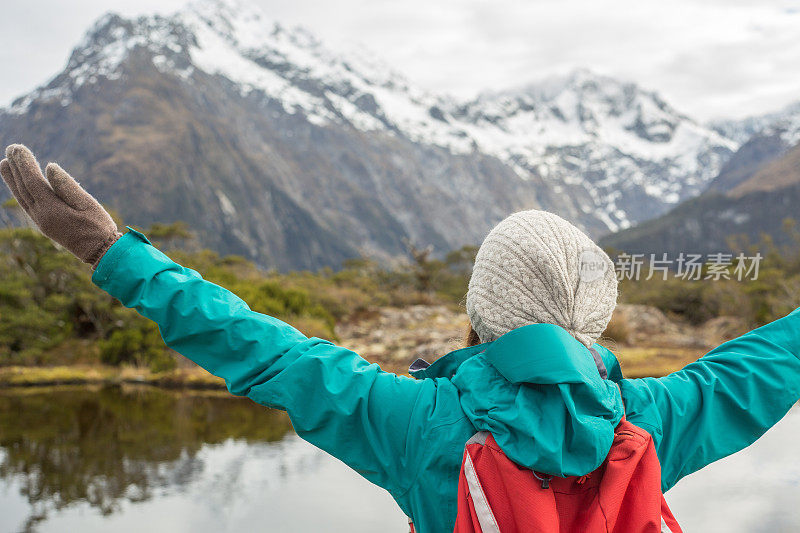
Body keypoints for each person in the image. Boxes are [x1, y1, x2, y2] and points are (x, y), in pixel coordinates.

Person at [2, 143, 799, 532]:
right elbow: (768, 360)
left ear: (479, 312)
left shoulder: (415, 423)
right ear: (590, 320)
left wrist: (112, 253)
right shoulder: (652, 421)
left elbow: (265, 350)